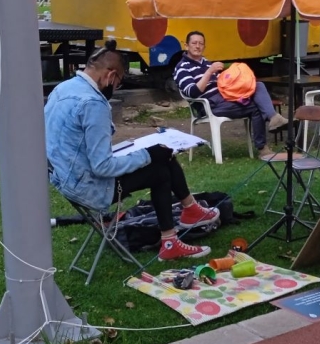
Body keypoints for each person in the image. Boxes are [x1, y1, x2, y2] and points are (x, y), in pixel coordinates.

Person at [45, 45, 221, 261]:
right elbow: (102, 167)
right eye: (118, 84)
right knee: (160, 169)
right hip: (89, 187)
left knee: (160, 157)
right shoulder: (93, 103)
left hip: (65, 179)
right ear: (111, 75)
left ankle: (188, 212)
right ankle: (172, 238)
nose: (115, 89)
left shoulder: (64, 88)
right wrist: (148, 154)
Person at [174, 31, 289, 158]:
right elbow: (193, 92)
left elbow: (223, 83)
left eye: (201, 43)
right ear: (186, 46)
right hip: (209, 105)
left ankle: (272, 118)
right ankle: (265, 141)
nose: (197, 46)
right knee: (257, 107)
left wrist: (234, 78)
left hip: (226, 98)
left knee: (257, 85)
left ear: (204, 47)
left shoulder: (206, 63)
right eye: (194, 43)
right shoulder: (182, 68)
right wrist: (210, 71)